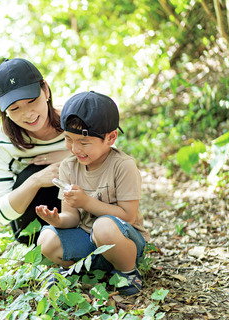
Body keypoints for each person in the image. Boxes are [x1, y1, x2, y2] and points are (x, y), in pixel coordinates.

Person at [35, 91, 150, 295]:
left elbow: (129, 216)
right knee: (46, 239)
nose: (75, 148)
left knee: (104, 226)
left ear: (111, 137)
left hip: (124, 241)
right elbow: (72, 216)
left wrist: (86, 201)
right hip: (87, 239)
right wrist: (57, 220)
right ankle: (82, 270)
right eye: (68, 139)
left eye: (84, 142)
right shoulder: (69, 167)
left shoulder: (123, 166)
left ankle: (127, 272)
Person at [0, 58, 70, 245]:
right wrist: (37, 179)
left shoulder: (75, 120)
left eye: (32, 101)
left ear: (46, 90)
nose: (28, 114)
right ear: (4, 110)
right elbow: (1, 213)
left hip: (86, 210)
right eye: (14, 108)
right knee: (30, 174)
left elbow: (113, 161)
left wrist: (71, 157)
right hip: (35, 228)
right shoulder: (2, 143)